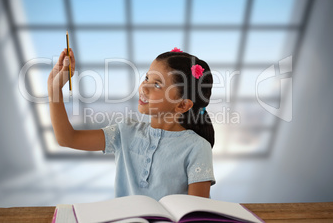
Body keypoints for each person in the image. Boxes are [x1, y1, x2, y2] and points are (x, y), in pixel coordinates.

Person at [47, 47, 216, 201]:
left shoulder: (198, 147)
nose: (144, 88)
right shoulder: (125, 131)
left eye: (157, 84)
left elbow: (196, 213)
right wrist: (54, 89)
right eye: (147, 78)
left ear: (182, 105)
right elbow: (67, 138)